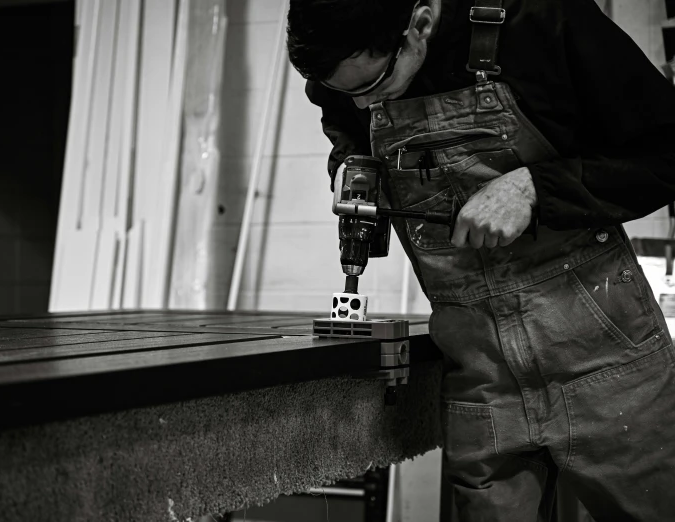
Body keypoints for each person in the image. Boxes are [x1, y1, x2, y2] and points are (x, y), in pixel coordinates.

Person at [286, 0, 675, 520]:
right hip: (480, 375)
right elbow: (348, 123)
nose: (360, 106)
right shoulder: (346, 72)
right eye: (341, 93)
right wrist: (350, 161)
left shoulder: (542, 21)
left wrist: (536, 188)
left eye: (372, 88)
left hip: (605, 361)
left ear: (419, 24)